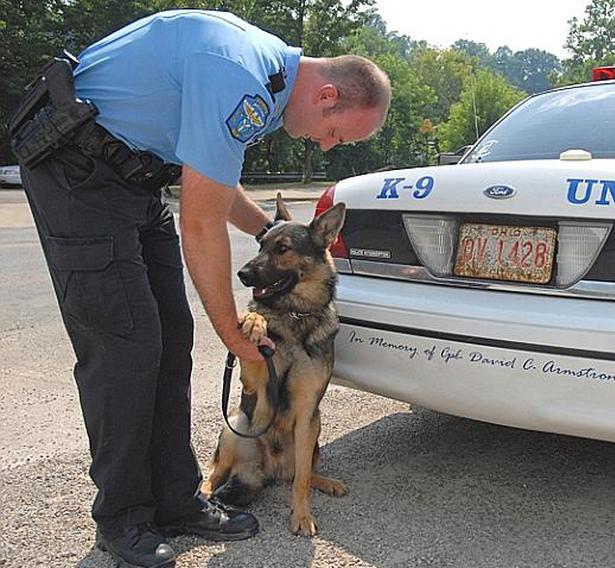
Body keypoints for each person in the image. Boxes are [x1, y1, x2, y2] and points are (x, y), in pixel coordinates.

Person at [11, 9, 390, 568]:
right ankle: (121, 519)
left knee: (170, 336)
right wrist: (237, 337)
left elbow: (213, 179)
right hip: (80, 175)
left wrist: (270, 233)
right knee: (126, 349)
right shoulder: (239, 78)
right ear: (329, 95)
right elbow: (200, 225)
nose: (327, 147)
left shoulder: (268, 81)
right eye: (336, 133)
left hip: (135, 178)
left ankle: (174, 499)